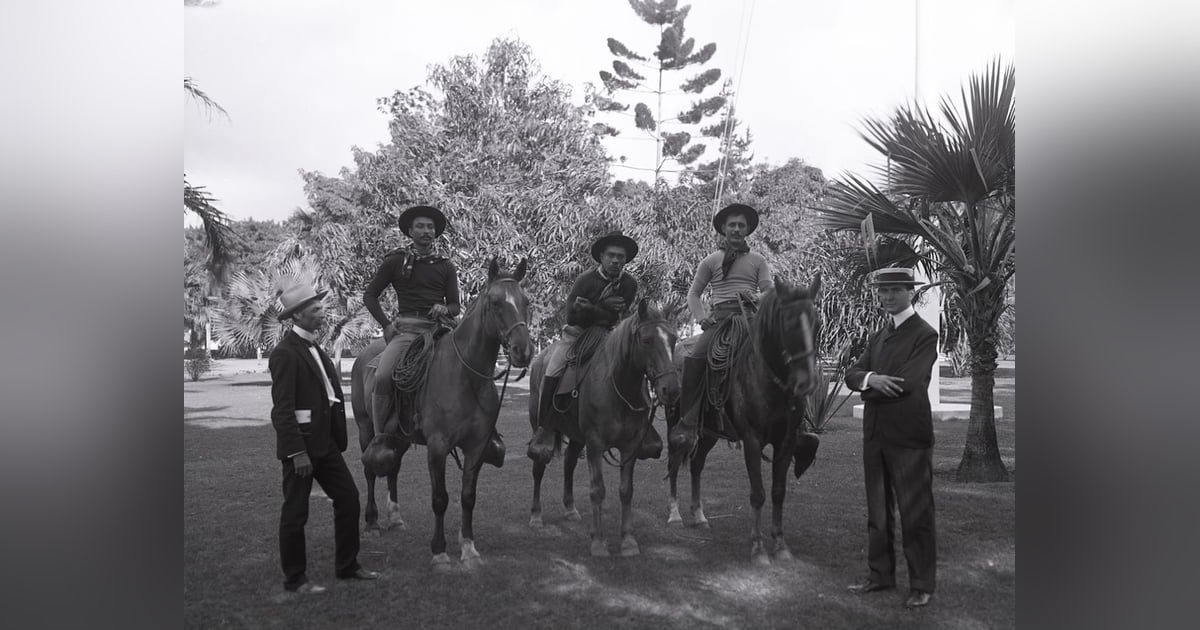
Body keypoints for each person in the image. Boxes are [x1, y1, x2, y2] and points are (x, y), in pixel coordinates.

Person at [269, 283, 379, 595]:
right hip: (302, 449)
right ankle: (295, 580)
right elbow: (283, 410)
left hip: (327, 445)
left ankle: (347, 566)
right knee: (295, 513)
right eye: (315, 309)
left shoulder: (316, 349)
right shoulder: (285, 354)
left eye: (321, 308)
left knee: (348, 499)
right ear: (298, 315)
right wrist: (296, 452)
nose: (322, 313)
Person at [843, 267, 939, 609]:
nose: (886, 297)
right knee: (878, 512)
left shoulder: (925, 334)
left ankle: (921, 584)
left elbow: (908, 384)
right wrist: (870, 378)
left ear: (909, 292)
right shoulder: (878, 336)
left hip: (908, 437)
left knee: (916, 513)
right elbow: (851, 373)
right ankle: (880, 575)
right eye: (881, 292)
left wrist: (870, 386)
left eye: (893, 291)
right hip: (875, 436)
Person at [528, 231, 638, 450]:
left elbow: (616, 317)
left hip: (610, 334)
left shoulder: (629, 284)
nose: (616, 260)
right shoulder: (585, 280)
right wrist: (604, 308)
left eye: (621, 257)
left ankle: (639, 422)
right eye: (611, 255)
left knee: (637, 363)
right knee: (553, 368)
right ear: (602, 257)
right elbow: (572, 316)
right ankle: (545, 427)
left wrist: (591, 309)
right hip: (577, 334)